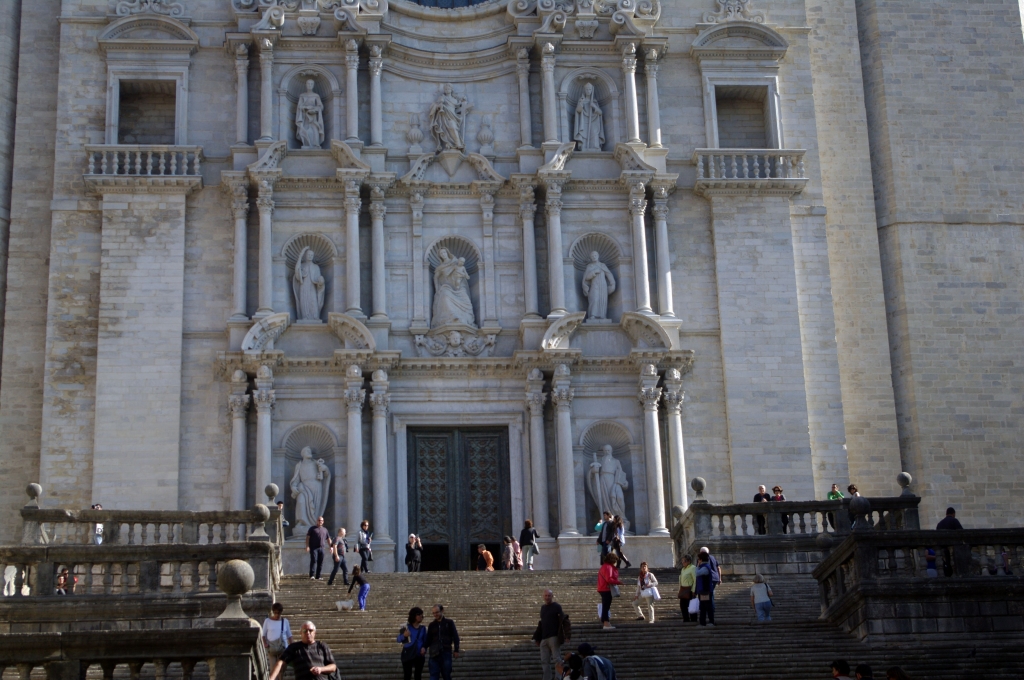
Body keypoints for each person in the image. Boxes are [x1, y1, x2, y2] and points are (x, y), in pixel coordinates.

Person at [269, 621, 336, 680]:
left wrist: (320, 669)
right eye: (305, 631)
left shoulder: (322, 645)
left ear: (315, 632)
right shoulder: (294, 647)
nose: (308, 633)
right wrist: (271, 678)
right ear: (301, 633)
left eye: (310, 630)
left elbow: (333, 666)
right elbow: (280, 662)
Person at [533, 589, 570, 680]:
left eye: (549, 595)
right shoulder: (543, 608)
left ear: (552, 596)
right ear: (543, 597)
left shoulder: (556, 606)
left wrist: (567, 635)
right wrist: (537, 638)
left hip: (554, 636)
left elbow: (564, 620)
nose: (547, 597)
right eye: (545, 596)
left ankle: (558, 677)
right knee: (544, 660)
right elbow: (542, 623)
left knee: (557, 659)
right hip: (544, 638)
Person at [423, 604, 460, 680]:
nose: (435, 614)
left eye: (437, 612)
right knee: (433, 675)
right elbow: (428, 638)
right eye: (433, 613)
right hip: (434, 653)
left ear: (442, 611)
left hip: (446, 652)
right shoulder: (431, 625)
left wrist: (456, 650)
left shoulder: (449, 622)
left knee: (446, 675)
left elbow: (455, 636)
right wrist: (424, 647)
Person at [398, 606, 428, 680]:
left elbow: (425, 641)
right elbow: (398, 639)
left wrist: (424, 648)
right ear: (414, 615)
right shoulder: (406, 627)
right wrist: (404, 635)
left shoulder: (423, 628)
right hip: (408, 653)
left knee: (418, 675)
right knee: (407, 675)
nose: (421, 616)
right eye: (419, 614)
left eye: (421, 615)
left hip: (419, 655)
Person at [262, 603, 294, 668]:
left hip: (283, 647)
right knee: (273, 668)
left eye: (279, 613)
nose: (277, 615)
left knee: (281, 668)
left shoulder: (285, 621)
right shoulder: (267, 621)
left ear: (281, 612)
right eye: (275, 613)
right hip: (271, 647)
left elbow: (289, 635)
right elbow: (263, 635)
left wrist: (292, 647)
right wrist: (265, 643)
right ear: (273, 612)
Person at [597, 552, 622, 630]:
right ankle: (606, 623)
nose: (616, 563)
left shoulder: (604, 566)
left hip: (602, 588)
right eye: (615, 560)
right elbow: (609, 579)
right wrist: (618, 582)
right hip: (606, 588)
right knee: (606, 606)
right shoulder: (608, 567)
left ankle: (605, 621)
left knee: (605, 606)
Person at [305, 516, 331, 580]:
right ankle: (312, 575)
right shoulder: (312, 528)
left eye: (321, 520)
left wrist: (331, 547)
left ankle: (318, 576)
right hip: (314, 548)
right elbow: (308, 538)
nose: (320, 521)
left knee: (320, 562)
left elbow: (328, 539)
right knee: (314, 560)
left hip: (322, 548)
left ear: (323, 521)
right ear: (317, 521)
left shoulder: (325, 530)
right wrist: (307, 546)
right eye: (319, 520)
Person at [695, 553, 715, 626]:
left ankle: (711, 621)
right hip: (703, 590)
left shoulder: (705, 567)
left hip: (706, 591)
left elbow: (697, 573)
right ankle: (702, 622)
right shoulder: (705, 566)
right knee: (703, 607)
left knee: (708, 606)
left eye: (698, 559)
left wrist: (697, 566)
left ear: (700, 560)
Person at [677, 553, 696, 622]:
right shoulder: (683, 569)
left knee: (691, 605)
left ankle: (693, 619)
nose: (683, 562)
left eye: (684, 561)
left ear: (689, 561)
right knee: (683, 605)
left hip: (690, 590)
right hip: (683, 589)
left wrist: (693, 590)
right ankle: (686, 619)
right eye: (682, 561)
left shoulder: (693, 568)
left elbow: (695, 580)